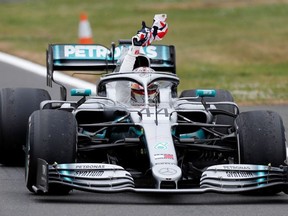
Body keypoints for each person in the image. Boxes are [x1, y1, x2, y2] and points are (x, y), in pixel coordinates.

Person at [115, 14, 168, 104]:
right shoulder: (124, 101)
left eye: (150, 90)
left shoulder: (165, 102)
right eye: (141, 92)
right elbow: (123, 81)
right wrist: (134, 50)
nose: (145, 96)